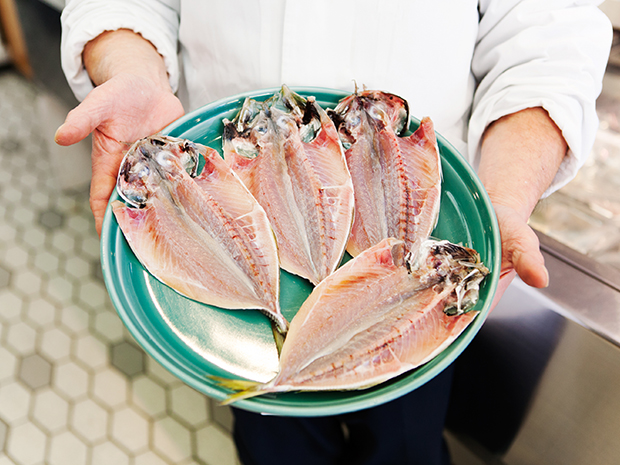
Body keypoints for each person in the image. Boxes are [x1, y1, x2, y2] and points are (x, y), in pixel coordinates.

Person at [55, 1, 612, 464]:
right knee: (276, 442)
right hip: (234, 229)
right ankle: (282, 368)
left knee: (405, 445)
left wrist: (507, 194)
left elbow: (548, 33)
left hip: (426, 242)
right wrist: (132, 67)